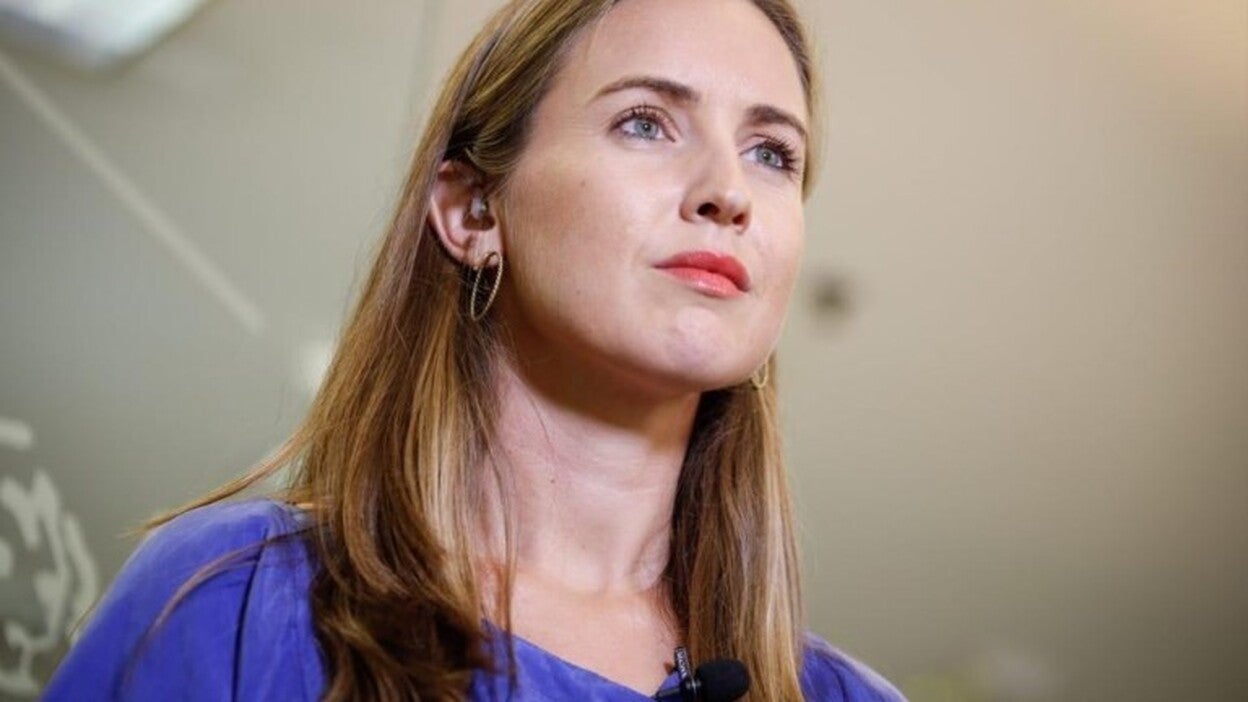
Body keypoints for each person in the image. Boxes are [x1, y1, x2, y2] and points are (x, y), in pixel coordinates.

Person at [45, 0, 907, 699]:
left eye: (772, 153)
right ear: (471, 211)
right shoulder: (233, 602)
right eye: (646, 123)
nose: (728, 191)